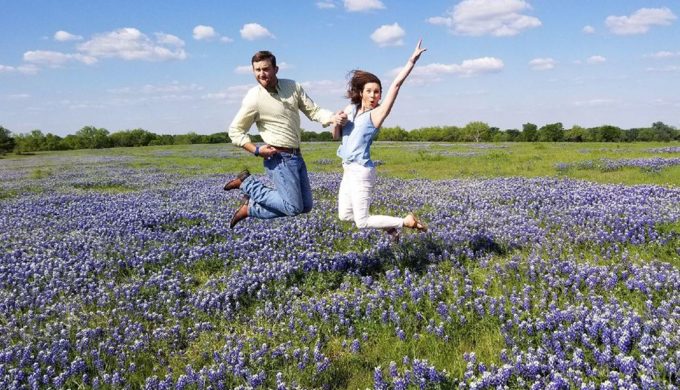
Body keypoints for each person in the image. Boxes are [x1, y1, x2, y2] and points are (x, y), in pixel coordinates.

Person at [224, 50, 347, 228]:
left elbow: (313, 111)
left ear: (276, 69)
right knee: (293, 206)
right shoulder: (254, 98)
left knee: (305, 206)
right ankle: (247, 183)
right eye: (257, 70)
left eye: (265, 69)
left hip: (296, 155)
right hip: (277, 157)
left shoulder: (293, 87)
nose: (261, 74)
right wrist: (256, 150)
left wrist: (333, 117)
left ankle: (249, 208)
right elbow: (235, 131)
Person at [333, 39, 428, 242]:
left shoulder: (377, 115)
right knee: (345, 215)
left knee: (363, 221)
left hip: (361, 171)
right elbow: (336, 138)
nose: (373, 95)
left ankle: (406, 221)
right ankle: (389, 227)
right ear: (361, 93)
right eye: (369, 91)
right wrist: (337, 121)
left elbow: (396, 85)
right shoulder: (350, 110)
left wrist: (412, 60)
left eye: (377, 92)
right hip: (347, 169)